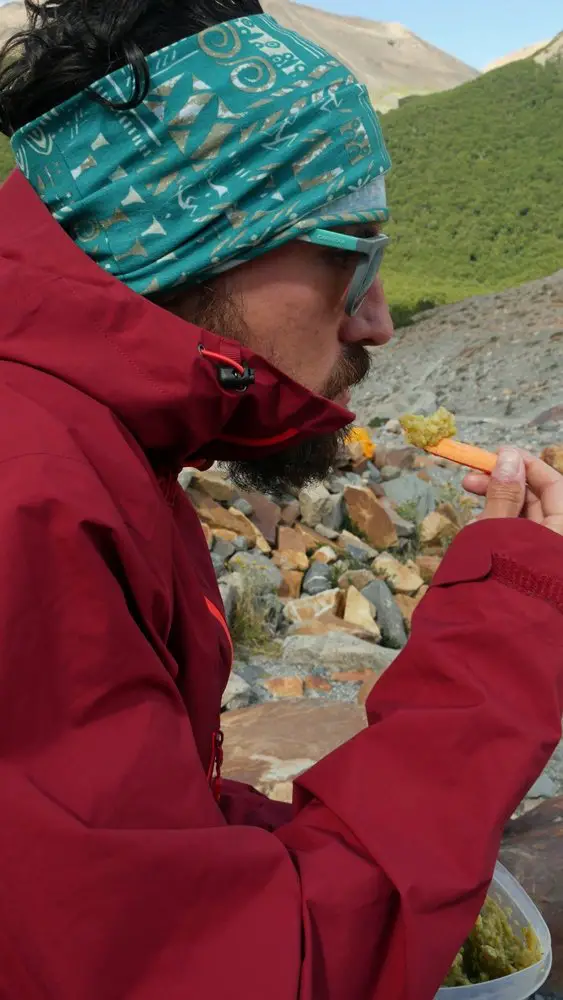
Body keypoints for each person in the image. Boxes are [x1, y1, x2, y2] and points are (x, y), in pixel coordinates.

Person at [0, 1, 562, 997]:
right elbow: (237, 975)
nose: (380, 321)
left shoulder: (85, 447)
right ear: (195, 237)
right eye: (352, 256)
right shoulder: (28, 499)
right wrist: (510, 623)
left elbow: (104, 865)